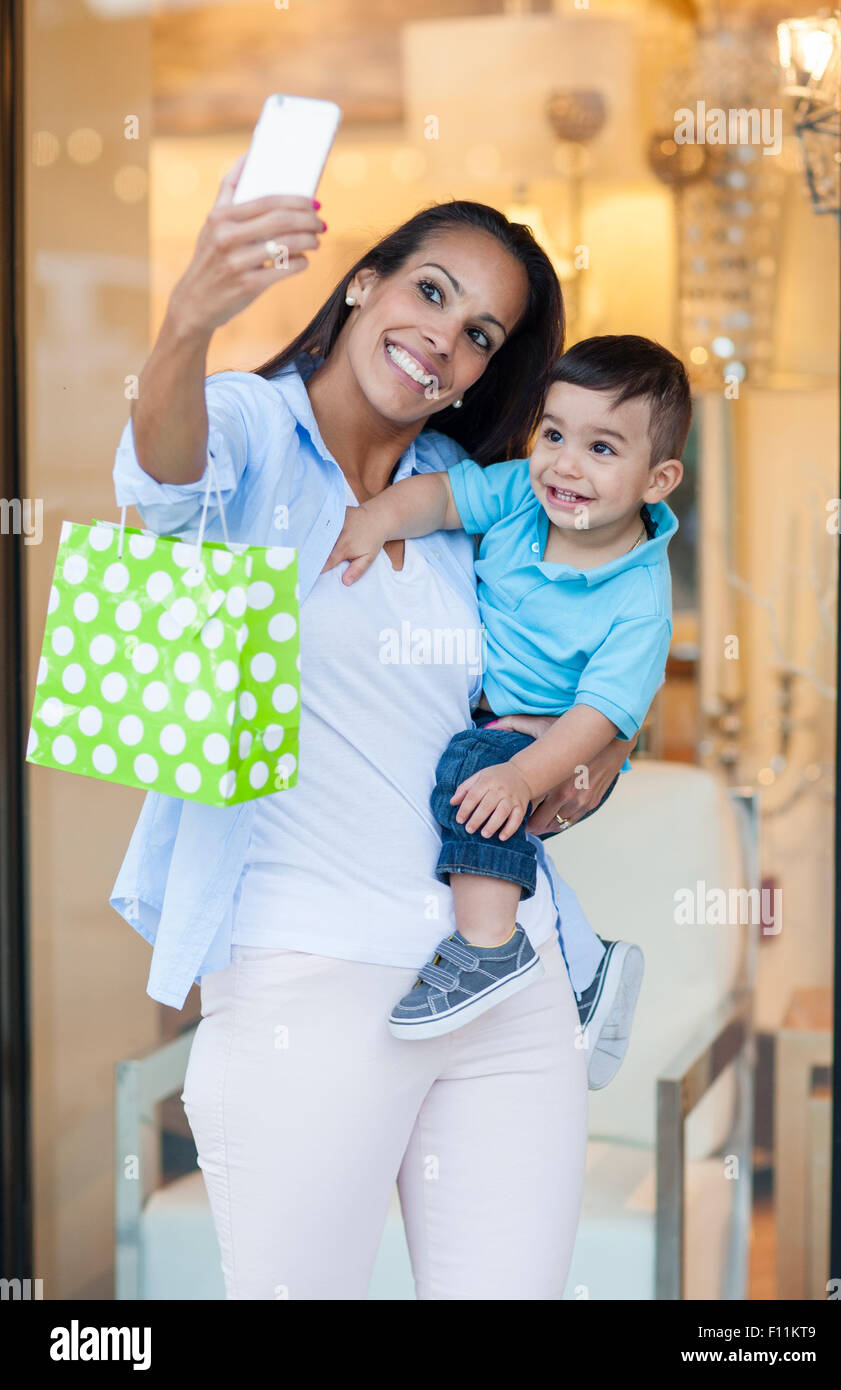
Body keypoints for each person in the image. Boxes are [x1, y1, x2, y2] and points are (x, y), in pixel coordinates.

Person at [109, 155, 638, 1298]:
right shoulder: (248, 431)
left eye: (483, 333)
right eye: (431, 292)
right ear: (364, 283)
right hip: (310, 980)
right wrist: (186, 321)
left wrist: (589, 762)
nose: (445, 338)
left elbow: (571, 651)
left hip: (502, 974)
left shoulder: (471, 488)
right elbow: (162, 478)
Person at [325, 334, 688, 1040]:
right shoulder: (524, 492)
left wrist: (526, 775)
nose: (566, 465)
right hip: (500, 719)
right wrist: (376, 519)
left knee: (474, 780)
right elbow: (443, 498)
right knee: (487, 802)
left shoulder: (640, 597)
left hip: (565, 737)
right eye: (554, 433)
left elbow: (602, 715)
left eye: (603, 450)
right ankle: (585, 966)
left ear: (658, 480)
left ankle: (490, 948)